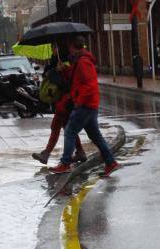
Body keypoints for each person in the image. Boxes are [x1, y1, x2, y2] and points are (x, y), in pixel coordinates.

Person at [49, 35, 119, 176]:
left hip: (85, 105)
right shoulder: (80, 61)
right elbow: (77, 78)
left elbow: (89, 86)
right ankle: (111, 162)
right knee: (95, 135)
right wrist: (63, 70)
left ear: (73, 47)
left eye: (69, 46)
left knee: (69, 131)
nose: (68, 49)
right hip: (89, 104)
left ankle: (65, 163)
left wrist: (79, 102)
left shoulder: (83, 62)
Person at [32, 54, 86, 165]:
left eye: (54, 47)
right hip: (63, 103)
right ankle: (80, 151)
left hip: (65, 103)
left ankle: (48, 154)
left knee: (57, 127)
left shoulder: (66, 66)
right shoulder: (60, 63)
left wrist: (54, 72)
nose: (53, 49)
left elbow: (64, 84)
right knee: (67, 128)